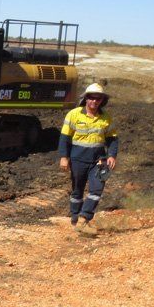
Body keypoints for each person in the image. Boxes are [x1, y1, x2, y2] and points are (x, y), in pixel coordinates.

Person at [58, 83, 119, 235]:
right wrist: (64, 157)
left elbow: (112, 138)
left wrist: (112, 155)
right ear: (86, 98)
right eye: (91, 97)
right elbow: (65, 138)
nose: (94, 101)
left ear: (102, 101)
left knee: (97, 189)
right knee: (77, 190)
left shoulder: (106, 118)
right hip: (78, 159)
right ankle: (75, 218)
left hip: (99, 160)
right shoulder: (74, 114)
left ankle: (84, 218)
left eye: (98, 98)